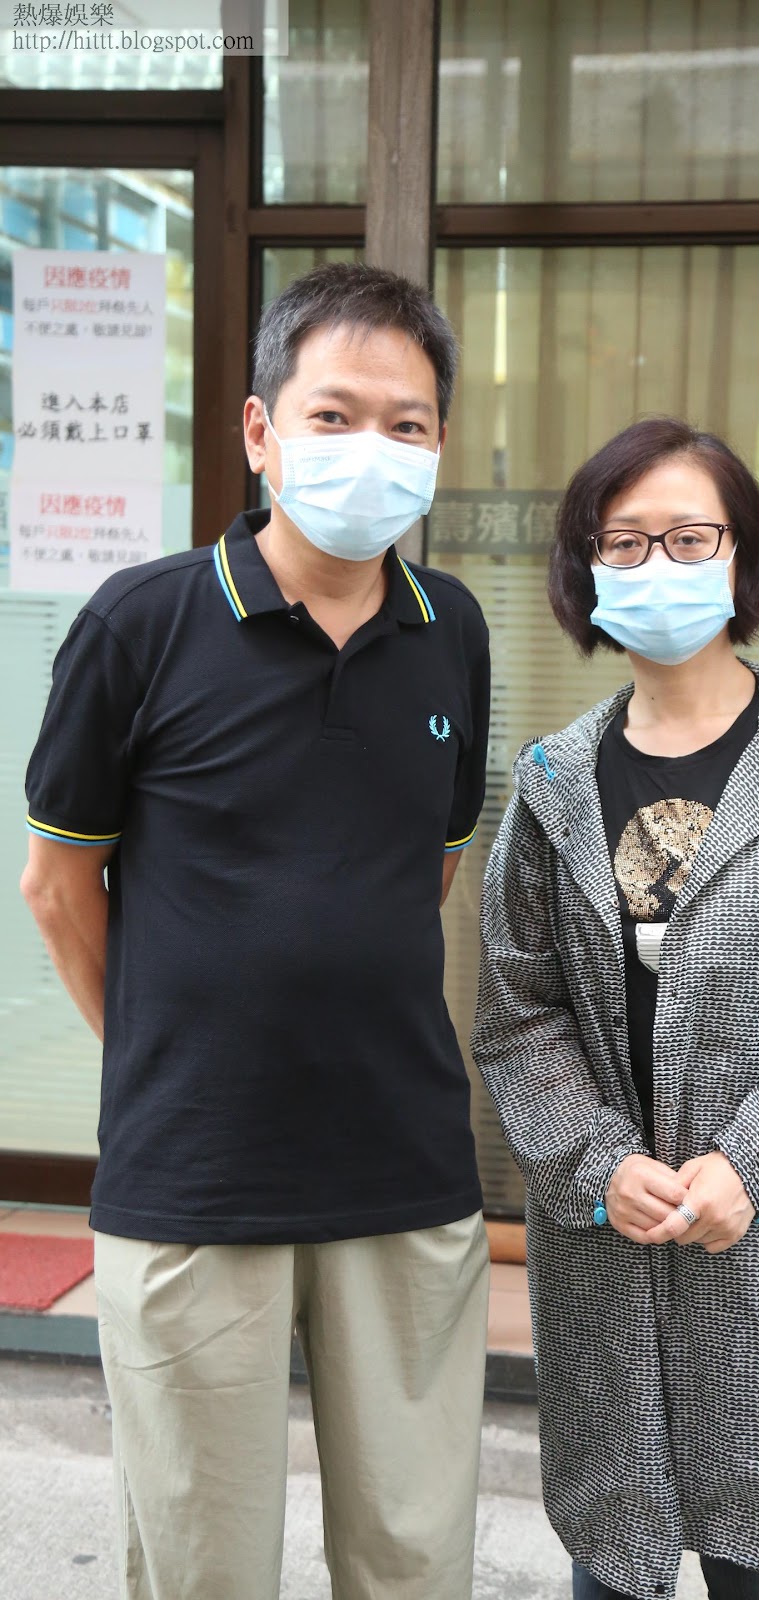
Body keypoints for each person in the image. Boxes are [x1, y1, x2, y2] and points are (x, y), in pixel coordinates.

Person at [21, 262, 491, 1600]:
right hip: (195, 1175)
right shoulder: (142, 622)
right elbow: (58, 883)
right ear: (257, 430)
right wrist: (164, 1048)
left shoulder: (450, 629)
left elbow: (426, 869)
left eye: (405, 423)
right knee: (202, 1564)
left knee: (412, 1559)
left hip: (402, 1170)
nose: (371, 447)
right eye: (333, 414)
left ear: (439, 444)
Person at [472, 417, 759, 1600]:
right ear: (584, 570)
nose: (653, 564)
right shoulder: (553, 782)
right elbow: (518, 1012)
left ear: (743, 556)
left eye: (686, 537)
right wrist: (596, 1159)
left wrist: (751, 1163)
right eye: (621, 542)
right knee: (613, 1560)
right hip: (610, 1239)